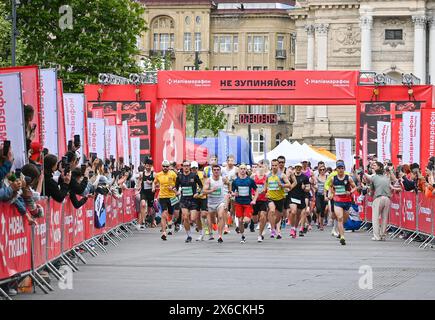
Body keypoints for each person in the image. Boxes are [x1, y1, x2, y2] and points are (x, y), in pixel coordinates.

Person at [365, 162, 398, 241]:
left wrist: (369, 193)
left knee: (375, 218)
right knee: (384, 217)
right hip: (387, 198)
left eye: (375, 165)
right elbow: (395, 181)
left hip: (378, 198)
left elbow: (372, 191)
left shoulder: (374, 177)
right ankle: (382, 235)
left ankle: (376, 236)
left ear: (379, 167)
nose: (373, 167)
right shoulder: (386, 177)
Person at [328, 160, 357, 246]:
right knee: (339, 218)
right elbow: (330, 187)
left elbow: (355, 187)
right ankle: (342, 237)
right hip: (337, 200)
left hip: (347, 201)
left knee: (344, 218)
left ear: (344, 169)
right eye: (339, 168)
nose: (340, 170)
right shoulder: (333, 178)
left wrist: (350, 192)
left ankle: (340, 231)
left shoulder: (348, 178)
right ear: (336, 169)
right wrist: (331, 194)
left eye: (342, 168)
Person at [175, 160, 203, 242]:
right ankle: (189, 235)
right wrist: (175, 191)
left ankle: (197, 227)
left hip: (193, 199)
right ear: (182, 167)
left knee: (193, 218)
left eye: (188, 166)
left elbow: (201, 185)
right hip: (184, 199)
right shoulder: (179, 176)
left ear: (189, 167)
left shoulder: (194, 175)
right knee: (185, 217)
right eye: (184, 166)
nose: (186, 167)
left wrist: (198, 192)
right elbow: (176, 187)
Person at [265, 159, 293, 239]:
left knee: (278, 217)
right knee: (272, 210)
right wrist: (265, 192)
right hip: (270, 197)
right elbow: (266, 185)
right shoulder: (268, 175)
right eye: (272, 165)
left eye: (275, 165)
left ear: (278, 166)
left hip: (280, 198)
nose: (274, 167)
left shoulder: (282, 175)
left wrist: (282, 185)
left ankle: (273, 226)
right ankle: (273, 229)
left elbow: (289, 185)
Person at [231, 163, 258, 243]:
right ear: (239, 170)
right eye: (241, 169)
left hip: (247, 203)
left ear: (246, 170)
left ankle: (246, 223)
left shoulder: (250, 180)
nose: (242, 170)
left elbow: (256, 190)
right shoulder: (236, 181)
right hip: (238, 203)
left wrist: (254, 200)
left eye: (244, 169)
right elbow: (232, 192)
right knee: (240, 220)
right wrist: (233, 194)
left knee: (245, 220)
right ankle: (242, 236)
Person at [203, 164, 229, 243]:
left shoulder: (223, 179)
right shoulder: (209, 180)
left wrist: (230, 192)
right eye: (215, 170)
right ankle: (214, 225)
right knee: (213, 221)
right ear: (212, 171)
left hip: (220, 202)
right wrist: (211, 190)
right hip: (210, 203)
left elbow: (229, 183)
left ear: (220, 171)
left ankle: (220, 236)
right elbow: (204, 191)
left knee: (220, 216)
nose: (216, 171)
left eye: (218, 170)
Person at [153, 160, 178, 241]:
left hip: (172, 197)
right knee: (164, 214)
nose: (165, 168)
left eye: (167, 166)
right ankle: (164, 232)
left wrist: (174, 188)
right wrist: (154, 187)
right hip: (163, 196)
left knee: (171, 213)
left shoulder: (173, 174)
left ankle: (170, 224)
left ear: (169, 167)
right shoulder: (158, 175)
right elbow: (155, 182)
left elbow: (178, 184)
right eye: (164, 166)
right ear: (162, 166)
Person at [288, 163, 310, 238]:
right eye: (297, 167)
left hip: (301, 197)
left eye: (299, 167)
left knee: (298, 216)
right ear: (295, 168)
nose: (298, 169)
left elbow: (308, 188)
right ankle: (292, 228)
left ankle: (295, 228)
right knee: (293, 211)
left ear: (301, 168)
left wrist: (304, 188)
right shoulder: (291, 176)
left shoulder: (305, 177)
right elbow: (287, 184)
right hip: (292, 196)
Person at [191, 162, 209, 238]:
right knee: (195, 217)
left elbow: (206, 183)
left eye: (195, 168)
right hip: (195, 198)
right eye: (193, 168)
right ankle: (201, 233)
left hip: (203, 196)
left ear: (197, 168)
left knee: (204, 214)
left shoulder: (202, 174)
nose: (194, 169)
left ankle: (207, 226)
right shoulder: (189, 175)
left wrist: (203, 192)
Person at [137, 158, 155, 230]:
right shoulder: (142, 174)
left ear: (151, 166)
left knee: (150, 209)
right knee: (143, 204)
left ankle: (150, 218)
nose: (148, 167)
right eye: (147, 165)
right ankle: (143, 222)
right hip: (143, 192)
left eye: (149, 166)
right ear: (145, 165)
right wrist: (138, 186)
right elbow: (139, 180)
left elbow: (156, 182)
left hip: (150, 193)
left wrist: (152, 184)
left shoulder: (154, 174)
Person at [253, 162, 269, 242]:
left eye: (263, 166)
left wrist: (264, 191)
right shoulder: (253, 176)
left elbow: (266, 188)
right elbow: (250, 187)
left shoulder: (266, 177)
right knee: (255, 220)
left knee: (263, 216)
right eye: (259, 166)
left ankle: (260, 234)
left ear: (265, 168)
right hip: (255, 200)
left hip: (263, 200)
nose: (261, 168)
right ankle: (259, 225)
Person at [313, 164, 328, 231]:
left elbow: (330, 185)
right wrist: (314, 187)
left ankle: (321, 224)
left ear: (325, 170)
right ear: (319, 170)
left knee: (323, 211)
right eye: (321, 170)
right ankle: (318, 219)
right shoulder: (317, 176)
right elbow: (313, 183)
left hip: (324, 195)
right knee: (318, 208)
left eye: (323, 169)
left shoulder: (327, 177)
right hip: (318, 195)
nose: (322, 171)